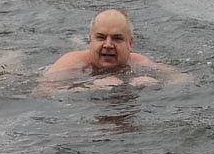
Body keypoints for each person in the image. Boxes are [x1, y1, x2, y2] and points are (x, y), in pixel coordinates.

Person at [36, 9, 186, 94]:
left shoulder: (139, 62)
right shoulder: (72, 63)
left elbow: (183, 79)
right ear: (90, 41)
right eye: (101, 37)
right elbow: (41, 92)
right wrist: (89, 87)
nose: (108, 45)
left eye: (117, 38)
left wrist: (157, 83)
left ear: (130, 44)